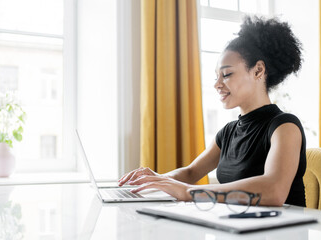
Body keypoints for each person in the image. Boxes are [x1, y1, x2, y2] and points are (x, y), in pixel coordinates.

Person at [118, 16, 306, 207]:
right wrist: (156, 180)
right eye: (217, 76)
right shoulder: (228, 132)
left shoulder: (285, 126)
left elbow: (273, 191)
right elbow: (191, 172)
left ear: (258, 71)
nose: (217, 84)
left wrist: (190, 192)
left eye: (226, 74)